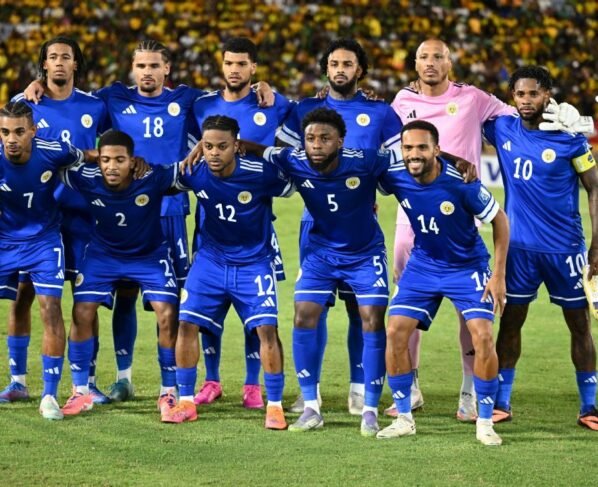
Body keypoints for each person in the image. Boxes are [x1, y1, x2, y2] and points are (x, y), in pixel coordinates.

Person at [24, 40, 274, 402]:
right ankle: (123, 378)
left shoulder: (187, 99)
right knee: (123, 296)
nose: (147, 72)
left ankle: (176, 386)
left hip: (170, 212)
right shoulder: (113, 98)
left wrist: (261, 86)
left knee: (177, 305)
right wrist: (38, 83)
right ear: (132, 68)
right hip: (121, 211)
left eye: (154, 66)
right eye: (141, 66)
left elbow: (227, 100)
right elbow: (68, 99)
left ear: (166, 69)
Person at [387, 38, 589, 420]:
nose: (430, 63)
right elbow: (387, 142)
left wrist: (561, 112)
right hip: (410, 214)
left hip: (465, 216)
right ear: (414, 64)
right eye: (423, 57)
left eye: (438, 56)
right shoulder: (401, 100)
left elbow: (521, 113)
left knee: (472, 307)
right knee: (406, 304)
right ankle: (410, 387)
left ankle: (470, 389)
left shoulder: (474, 98)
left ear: (450, 62)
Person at [245, 107, 390, 436]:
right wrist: (229, 145)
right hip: (321, 253)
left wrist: (455, 161)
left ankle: (369, 409)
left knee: (371, 318)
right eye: (310, 138)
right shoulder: (293, 159)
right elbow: (260, 150)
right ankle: (311, 406)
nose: (316, 145)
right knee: (304, 315)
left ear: (340, 141)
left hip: (365, 254)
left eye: (325, 138)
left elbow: (408, 160)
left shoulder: (366, 161)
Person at [277, 38, 403, 415]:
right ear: (326, 69)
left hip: (360, 225)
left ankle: (358, 389)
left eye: (347, 64)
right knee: (312, 309)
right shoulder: (305, 108)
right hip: (313, 224)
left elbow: (397, 165)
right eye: (334, 64)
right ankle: (308, 392)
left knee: (359, 311)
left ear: (359, 70)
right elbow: (281, 154)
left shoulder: (380, 112)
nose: (340, 70)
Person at [376, 120, 509, 446]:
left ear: (436, 149)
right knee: (394, 331)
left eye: (422, 147)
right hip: (423, 265)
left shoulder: (462, 183)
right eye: (408, 147)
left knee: (483, 337)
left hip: (467, 267)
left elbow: (500, 220)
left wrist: (498, 275)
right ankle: (404, 418)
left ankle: (485, 421)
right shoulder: (394, 174)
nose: (414, 154)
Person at [484, 66, 598, 430]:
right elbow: (462, 113)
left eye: (534, 93)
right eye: (520, 94)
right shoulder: (502, 128)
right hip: (519, 250)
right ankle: (501, 401)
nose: (526, 100)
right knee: (511, 322)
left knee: (579, 325)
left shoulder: (570, 139)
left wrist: (597, 244)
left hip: (565, 249)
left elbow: (594, 187)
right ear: (513, 97)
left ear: (548, 94)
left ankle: (590, 406)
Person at [162, 115, 293, 429]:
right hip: (210, 261)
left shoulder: (260, 173)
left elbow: (294, 183)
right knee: (187, 324)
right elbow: (157, 181)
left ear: (236, 145)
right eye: (208, 146)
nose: (214, 153)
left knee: (267, 330)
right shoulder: (194, 171)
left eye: (222, 146)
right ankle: (186, 401)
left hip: (254, 263)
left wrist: (260, 150)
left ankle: (275, 406)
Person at [3, 37, 111, 405]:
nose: (60, 62)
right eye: (53, 57)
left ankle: (85, 383)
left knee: (86, 300)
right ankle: (18, 381)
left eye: (66, 57)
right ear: (44, 64)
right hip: (37, 218)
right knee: (23, 296)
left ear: (75, 63)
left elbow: (105, 148)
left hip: (82, 216)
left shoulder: (95, 106)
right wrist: (30, 86)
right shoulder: (25, 103)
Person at [190, 37, 293, 409]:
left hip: (255, 221)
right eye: (228, 63)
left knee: (256, 312)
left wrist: (268, 90)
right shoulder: (201, 104)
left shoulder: (275, 104)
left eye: (241, 63)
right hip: (211, 223)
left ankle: (252, 384)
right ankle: (211, 380)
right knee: (207, 311)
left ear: (254, 68)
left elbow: (296, 144)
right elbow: (194, 152)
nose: (234, 69)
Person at [59, 129, 180, 419]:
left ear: (133, 160)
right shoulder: (86, 177)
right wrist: (86, 155)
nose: (111, 167)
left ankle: (169, 391)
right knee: (82, 310)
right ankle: (80, 390)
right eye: (105, 160)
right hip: (103, 256)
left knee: (167, 312)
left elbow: (192, 171)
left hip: (149, 256)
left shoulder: (152, 177)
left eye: (119, 160)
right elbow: (52, 162)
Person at [0, 101, 86, 419]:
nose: (11, 139)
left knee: (50, 308)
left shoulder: (53, 151)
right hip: (5, 241)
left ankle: (49, 395)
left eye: (19, 132)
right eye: (5, 132)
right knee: (19, 302)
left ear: (33, 131)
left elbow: (85, 157)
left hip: (44, 241)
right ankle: (18, 383)